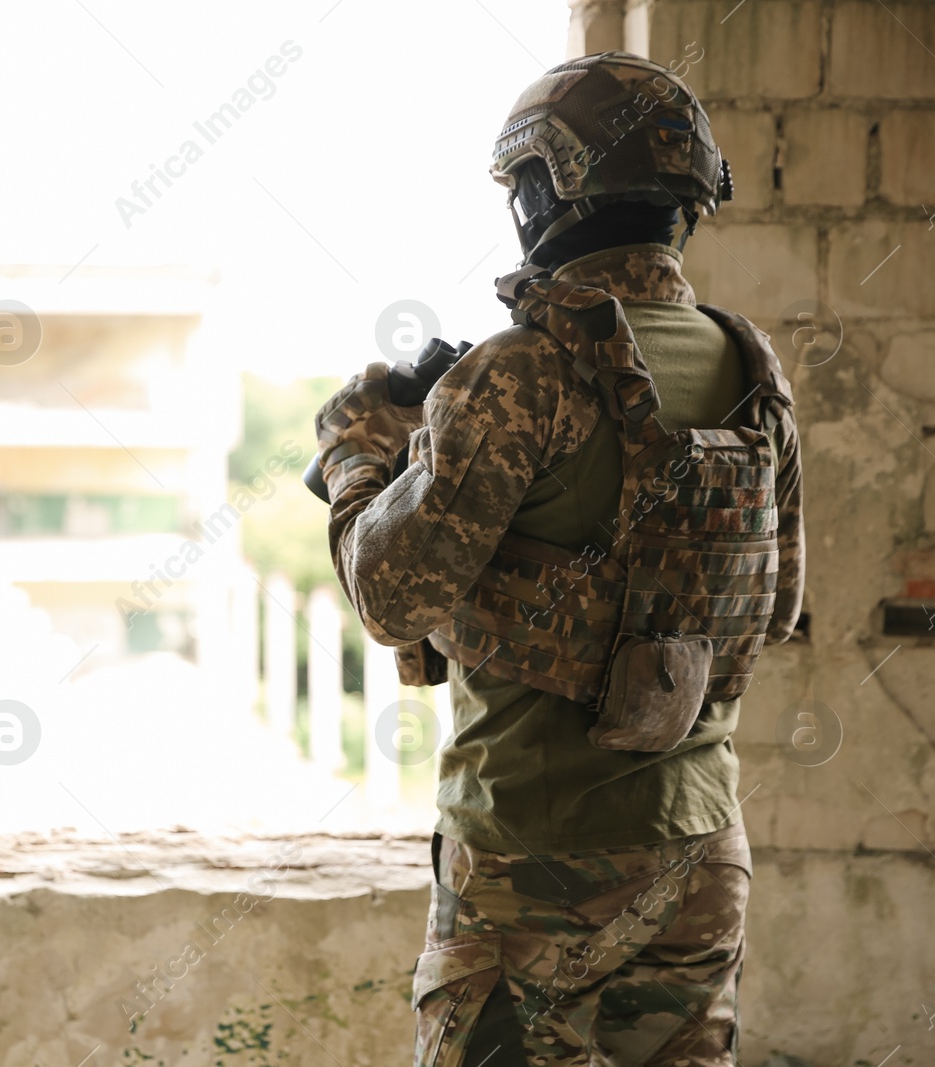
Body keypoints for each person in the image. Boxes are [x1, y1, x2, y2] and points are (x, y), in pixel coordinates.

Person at [313, 52, 803, 1066]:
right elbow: (778, 604)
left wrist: (359, 452)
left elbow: (392, 595)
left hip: (535, 859)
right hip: (700, 849)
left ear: (543, 191)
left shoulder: (517, 372)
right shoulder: (752, 367)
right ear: (686, 197)